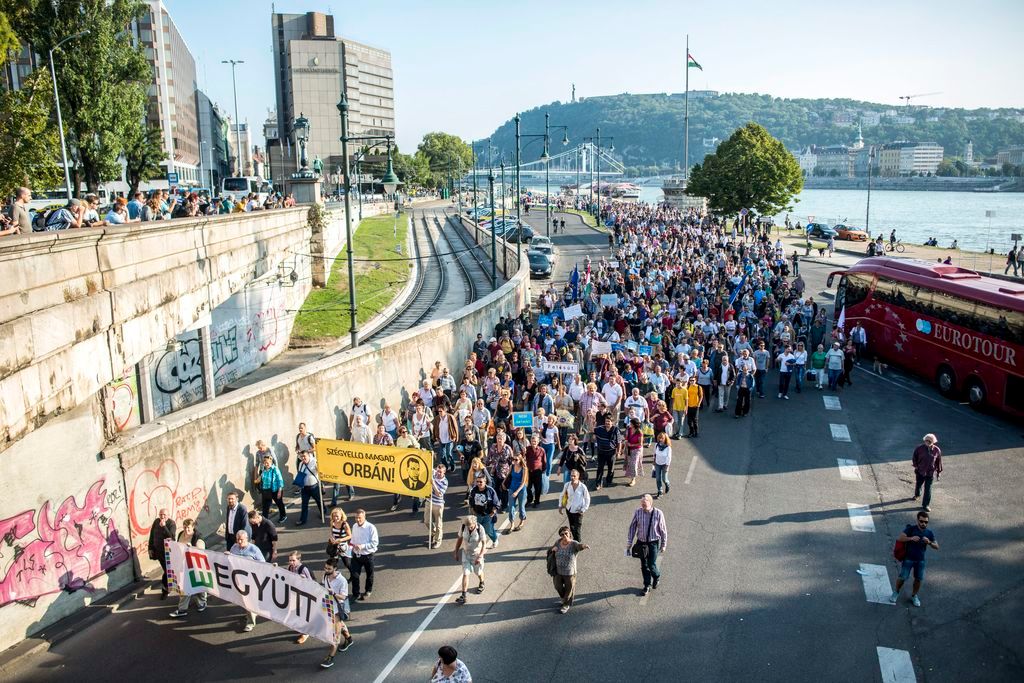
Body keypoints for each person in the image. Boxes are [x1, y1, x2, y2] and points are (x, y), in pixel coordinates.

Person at [890, 511, 939, 607]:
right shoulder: (911, 529)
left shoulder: (929, 533)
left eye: (926, 522)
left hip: (920, 560)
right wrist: (911, 538)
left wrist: (929, 542)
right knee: (902, 577)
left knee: (918, 579)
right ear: (917, 520)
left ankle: (914, 595)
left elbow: (937, 546)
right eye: (921, 521)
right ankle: (896, 592)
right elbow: (900, 538)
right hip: (908, 559)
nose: (923, 524)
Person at [626, 493, 668, 596]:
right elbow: (632, 527)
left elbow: (663, 530)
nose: (643, 506)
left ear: (650, 503)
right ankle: (647, 585)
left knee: (651, 564)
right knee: (644, 565)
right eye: (642, 504)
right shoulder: (638, 512)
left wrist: (663, 544)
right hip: (641, 543)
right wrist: (629, 542)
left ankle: (656, 576)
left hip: (653, 543)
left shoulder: (658, 513)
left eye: (644, 504)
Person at [319, 559, 354, 668]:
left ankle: (330, 657)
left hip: (338, 608)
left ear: (335, 569)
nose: (326, 570)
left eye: (329, 569)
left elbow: (343, 596)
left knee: (336, 632)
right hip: (328, 605)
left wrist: (333, 593)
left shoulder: (342, 580)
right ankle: (348, 639)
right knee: (339, 624)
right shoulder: (325, 576)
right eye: (325, 568)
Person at [168, 518, 206, 618]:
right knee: (185, 586)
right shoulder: (181, 534)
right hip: (183, 565)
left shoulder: (198, 536)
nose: (186, 530)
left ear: (193, 527)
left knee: (198, 585)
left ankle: (202, 601)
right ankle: (182, 609)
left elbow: (202, 550)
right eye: (184, 527)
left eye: (188, 527)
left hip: (195, 565)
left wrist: (192, 548)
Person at [549, 525, 589, 614]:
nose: (564, 536)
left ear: (569, 534)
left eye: (566, 533)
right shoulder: (558, 542)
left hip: (570, 572)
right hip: (558, 571)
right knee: (557, 586)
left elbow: (579, 546)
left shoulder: (573, 543)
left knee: (569, 588)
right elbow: (550, 550)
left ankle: (566, 604)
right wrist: (553, 549)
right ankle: (564, 598)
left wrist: (584, 546)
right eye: (562, 534)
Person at [229, 530, 264, 631]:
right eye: (238, 540)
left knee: (249, 601)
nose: (239, 542)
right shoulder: (234, 547)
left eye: (242, 540)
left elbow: (263, 564)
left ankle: (250, 623)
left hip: (251, 580)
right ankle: (253, 612)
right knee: (243, 600)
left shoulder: (254, 550)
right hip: (239, 580)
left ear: (247, 539)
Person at [452, 515, 487, 604]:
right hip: (466, 554)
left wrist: (480, 556)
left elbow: (484, 544)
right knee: (465, 573)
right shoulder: (464, 527)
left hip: (476, 555)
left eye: (471, 526)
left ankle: (482, 582)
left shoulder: (480, 529)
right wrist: (456, 552)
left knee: (478, 572)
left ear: (475, 523)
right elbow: (459, 539)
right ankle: (464, 596)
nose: (469, 528)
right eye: (468, 527)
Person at [349, 509, 379, 601]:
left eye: (359, 518)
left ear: (364, 517)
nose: (358, 520)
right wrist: (350, 546)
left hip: (368, 556)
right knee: (354, 575)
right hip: (356, 555)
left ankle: (368, 591)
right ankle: (356, 593)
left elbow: (375, 543)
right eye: (356, 518)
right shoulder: (354, 526)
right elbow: (353, 540)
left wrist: (362, 546)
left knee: (369, 575)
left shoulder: (371, 527)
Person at [147, 509, 176, 599]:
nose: (162, 517)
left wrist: (164, 527)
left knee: (168, 571)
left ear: (168, 515)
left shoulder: (171, 524)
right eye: (160, 515)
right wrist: (150, 548)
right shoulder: (156, 522)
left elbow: (171, 537)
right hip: (158, 551)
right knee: (167, 570)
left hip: (168, 552)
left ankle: (166, 589)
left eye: (164, 515)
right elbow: (152, 535)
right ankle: (167, 589)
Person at [468, 472, 502, 548]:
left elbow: (496, 503)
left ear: (485, 481)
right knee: (477, 530)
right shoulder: (474, 490)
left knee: (488, 530)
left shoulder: (490, 490)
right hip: (477, 515)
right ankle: (479, 544)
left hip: (488, 515)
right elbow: (471, 501)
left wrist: (492, 513)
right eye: (477, 481)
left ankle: (495, 539)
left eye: (481, 482)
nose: (479, 483)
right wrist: (473, 511)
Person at [287, 551, 314, 643]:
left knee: (303, 613)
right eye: (290, 560)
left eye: (293, 560)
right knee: (294, 612)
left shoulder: (303, 569)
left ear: (299, 560)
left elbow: (311, 583)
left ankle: (305, 633)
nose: (291, 562)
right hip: (295, 593)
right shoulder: (290, 568)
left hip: (305, 594)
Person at [912, 433, 943, 511]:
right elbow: (914, 457)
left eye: (930, 441)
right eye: (926, 440)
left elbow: (938, 462)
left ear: (933, 441)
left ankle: (925, 505)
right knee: (918, 484)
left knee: (928, 489)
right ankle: (917, 494)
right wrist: (916, 466)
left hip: (930, 473)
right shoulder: (919, 448)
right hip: (920, 471)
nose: (928, 442)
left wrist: (939, 472)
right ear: (924, 440)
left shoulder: (937, 450)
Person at [558, 468, 591, 542]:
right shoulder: (567, 485)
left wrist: (583, 509)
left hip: (578, 512)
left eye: (574, 476)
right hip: (569, 510)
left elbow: (587, 499)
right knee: (572, 527)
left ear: (578, 476)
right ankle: (574, 542)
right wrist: (560, 506)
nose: (572, 477)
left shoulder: (582, 487)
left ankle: (577, 543)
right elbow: (562, 495)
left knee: (577, 529)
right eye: (571, 476)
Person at [593, 414, 621, 490]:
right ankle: (598, 483)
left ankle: (608, 481)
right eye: (606, 422)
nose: (607, 423)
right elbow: (593, 431)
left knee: (611, 468)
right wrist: (594, 436)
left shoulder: (616, 430)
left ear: (612, 422)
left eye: (609, 422)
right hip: (601, 452)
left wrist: (618, 452)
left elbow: (619, 442)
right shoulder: (599, 429)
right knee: (600, 468)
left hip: (611, 453)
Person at [256, 453, 287, 523]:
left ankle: (283, 516)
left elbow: (280, 480)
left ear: (271, 462)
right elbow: (262, 479)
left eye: (267, 463)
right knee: (265, 507)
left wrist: (280, 490)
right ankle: (264, 521)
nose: (266, 464)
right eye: (264, 463)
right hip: (266, 491)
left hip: (275, 490)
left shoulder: (275, 469)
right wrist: (259, 479)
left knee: (279, 504)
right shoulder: (264, 470)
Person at [295, 451, 323, 526]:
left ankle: (323, 512)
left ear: (308, 456)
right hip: (304, 488)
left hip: (314, 487)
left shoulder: (314, 462)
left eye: (304, 456)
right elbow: (300, 473)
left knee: (319, 501)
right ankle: (302, 520)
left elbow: (320, 471)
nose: (303, 458)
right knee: (304, 504)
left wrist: (318, 468)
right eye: (301, 457)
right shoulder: (301, 464)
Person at [426, 462, 449, 548]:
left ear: (444, 472)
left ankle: (438, 541)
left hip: (438, 504)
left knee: (438, 524)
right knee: (426, 521)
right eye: (437, 471)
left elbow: (439, 494)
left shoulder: (445, 482)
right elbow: (427, 462)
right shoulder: (434, 473)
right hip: (429, 501)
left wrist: (433, 483)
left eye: (440, 472)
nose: (438, 473)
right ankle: (433, 532)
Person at [505, 453, 528, 532]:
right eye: (513, 459)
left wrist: (517, 492)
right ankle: (512, 524)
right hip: (512, 488)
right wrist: (503, 483)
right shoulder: (512, 466)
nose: (514, 461)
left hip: (521, 489)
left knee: (521, 507)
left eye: (516, 459)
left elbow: (523, 482)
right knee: (511, 507)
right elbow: (508, 475)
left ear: (520, 460)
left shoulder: (524, 468)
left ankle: (522, 521)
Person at [524, 433, 547, 507]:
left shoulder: (541, 450)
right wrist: (523, 452)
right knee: (528, 487)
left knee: (538, 488)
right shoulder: (527, 449)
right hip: (529, 472)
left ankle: (537, 501)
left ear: (538, 442)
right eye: (532, 441)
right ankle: (529, 500)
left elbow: (544, 461)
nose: (533, 443)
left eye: (535, 441)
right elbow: (523, 457)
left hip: (537, 472)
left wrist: (543, 470)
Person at [652, 432, 672, 497]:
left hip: (665, 465)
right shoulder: (656, 445)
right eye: (659, 438)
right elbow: (654, 453)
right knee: (658, 478)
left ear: (665, 439)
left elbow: (669, 458)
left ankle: (667, 484)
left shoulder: (668, 448)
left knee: (664, 479)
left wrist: (667, 466)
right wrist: (654, 461)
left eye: (662, 438)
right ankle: (660, 491)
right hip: (657, 463)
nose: (660, 439)